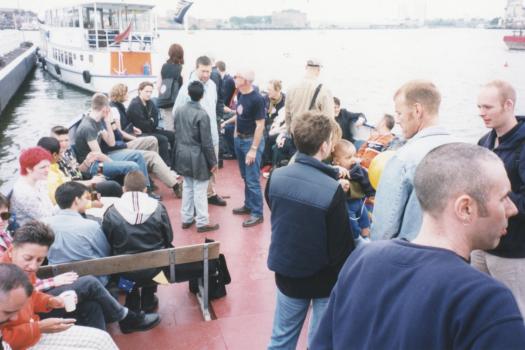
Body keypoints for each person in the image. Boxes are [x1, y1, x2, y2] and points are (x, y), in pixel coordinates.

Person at [311, 143, 525, 349]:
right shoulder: (486, 302)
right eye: (504, 197)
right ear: (465, 208)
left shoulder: (362, 260)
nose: (512, 208)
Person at [266, 111, 354, 349]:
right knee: (319, 340)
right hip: (323, 280)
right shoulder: (332, 190)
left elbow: (278, 210)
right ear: (325, 147)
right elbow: (341, 249)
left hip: (287, 274)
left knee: (281, 338)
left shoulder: (276, 177)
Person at [0, 221, 160, 349]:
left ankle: (123, 318)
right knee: (91, 285)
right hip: (28, 336)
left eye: (40, 260)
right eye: (28, 258)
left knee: (92, 307)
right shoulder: (5, 278)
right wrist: (39, 328)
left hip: (32, 328)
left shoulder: (22, 270)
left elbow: (32, 297)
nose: (34, 266)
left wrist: (50, 302)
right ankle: (126, 317)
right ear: (12, 250)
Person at [370, 80, 455, 241]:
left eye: (399, 113)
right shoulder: (464, 152)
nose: (397, 120)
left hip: (410, 258)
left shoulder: (404, 158)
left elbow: (384, 229)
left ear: (417, 110)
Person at [475, 80, 525, 316]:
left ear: (508, 105)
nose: (481, 113)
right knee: (478, 309)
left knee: (516, 313)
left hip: (514, 252)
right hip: (481, 246)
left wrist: (504, 202)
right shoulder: (483, 143)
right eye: (479, 107)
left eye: (487, 107)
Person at [102, 171, 174, 313]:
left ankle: (131, 296)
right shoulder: (158, 208)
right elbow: (169, 237)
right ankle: (148, 296)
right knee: (156, 260)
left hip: (124, 272)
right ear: (145, 189)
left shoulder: (112, 212)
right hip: (156, 270)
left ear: (124, 189)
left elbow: (107, 243)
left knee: (122, 267)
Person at [108, 84, 183, 197]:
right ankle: (168, 181)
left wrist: (132, 128)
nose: (128, 95)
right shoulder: (114, 109)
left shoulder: (120, 107)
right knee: (156, 145)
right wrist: (134, 137)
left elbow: (123, 126)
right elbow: (119, 133)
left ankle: (154, 170)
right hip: (123, 144)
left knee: (153, 140)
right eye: (126, 92)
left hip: (125, 140)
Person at [73, 93, 154, 195]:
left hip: (102, 159)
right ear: (105, 109)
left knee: (138, 156)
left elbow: (111, 143)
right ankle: (137, 195)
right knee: (132, 166)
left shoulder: (98, 121)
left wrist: (107, 122)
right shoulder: (88, 127)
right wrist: (112, 162)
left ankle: (146, 189)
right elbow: (97, 155)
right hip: (94, 166)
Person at [173, 55, 227, 207]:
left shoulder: (212, 85)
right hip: (195, 140)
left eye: (208, 71)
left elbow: (215, 106)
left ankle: (210, 194)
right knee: (195, 175)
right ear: (196, 68)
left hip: (212, 135)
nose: (206, 75)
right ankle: (197, 204)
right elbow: (177, 113)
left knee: (212, 167)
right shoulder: (186, 89)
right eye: (203, 71)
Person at [42, 182, 110, 285]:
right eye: (85, 198)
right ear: (77, 200)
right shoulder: (91, 226)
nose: (88, 201)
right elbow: (105, 253)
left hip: (58, 279)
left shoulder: (44, 224)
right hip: (91, 280)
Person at [222, 69, 265, 227]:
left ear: (246, 80)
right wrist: (232, 131)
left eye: (237, 76)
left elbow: (260, 125)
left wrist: (253, 149)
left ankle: (257, 213)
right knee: (245, 176)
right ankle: (249, 204)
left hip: (250, 141)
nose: (234, 78)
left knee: (253, 179)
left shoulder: (257, 99)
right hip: (239, 139)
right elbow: (240, 115)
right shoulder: (240, 94)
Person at [174, 81, 219, 233]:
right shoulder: (202, 114)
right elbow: (206, 142)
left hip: (182, 153)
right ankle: (202, 222)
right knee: (200, 189)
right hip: (197, 156)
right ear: (202, 95)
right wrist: (213, 162)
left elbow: (177, 131)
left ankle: (186, 219)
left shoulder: (179, 110)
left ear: (188, 93)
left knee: (187, 186)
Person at [50, 126, 123, 198]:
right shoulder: (53, 161)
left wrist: (87, 161)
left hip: (86, 180)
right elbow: (66, 185)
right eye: (60, 141)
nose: (64, 144)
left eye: (66, 140)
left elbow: (77, 171)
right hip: (78, 193)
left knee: (117, 175)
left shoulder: (68, 151)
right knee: (113, 186)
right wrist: (92, 181)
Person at [332, 140, 375, 239]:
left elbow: (366, 182)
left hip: (359, 202)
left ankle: (365, 238)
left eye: (354, 156)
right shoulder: (334, 171)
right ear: (337, 161)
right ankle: (356, 240)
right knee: (353, 228)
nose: (353, 160)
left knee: (366, 223)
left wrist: (371, 194)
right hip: (347, 205)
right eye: (348, 157)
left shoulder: (357, 169)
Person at [126, 81, 175, 167]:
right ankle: (165, 165)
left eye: (150, 92)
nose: (149, 94)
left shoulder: (150, 103)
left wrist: (151, 122)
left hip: (151, 129)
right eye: (146, 91)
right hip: (140, 133)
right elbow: (142, 125)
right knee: (163, 139)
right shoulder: (135, 105)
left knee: (172, 135)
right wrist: (151, 121)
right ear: (140, 91)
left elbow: (155, 119)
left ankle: (174, 161)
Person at [284, 58, 334, 134]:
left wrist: (290, 133)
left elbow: (287, 115)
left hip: (296, 135)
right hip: (313, 138)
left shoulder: (291, 88)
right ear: (318, 70)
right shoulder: (324, 90)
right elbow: (329, 120)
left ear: (306, 67)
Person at [10, 147, 55, 226]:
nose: (48, 170)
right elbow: (47, 219)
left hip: (45, 222)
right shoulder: (24, 193)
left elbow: (50, 209)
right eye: (43, 167)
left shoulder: (38, 180)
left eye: (48, 166)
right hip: (34, 232)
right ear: (29, 169)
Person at [156, 43, 184, 132]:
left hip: (166, 102)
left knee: (168, 128)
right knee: (180, 128)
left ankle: (170, 144)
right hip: (179, 102)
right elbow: (185, 87)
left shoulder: (163, 67)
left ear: (169, 53)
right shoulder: (182, 68)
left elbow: (158, 86)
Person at [262, 80, 286, 172]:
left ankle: (267, 163)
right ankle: (263, 161)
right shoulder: (265, 99)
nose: (268, 92)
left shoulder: (285, 100)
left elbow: (286, 117)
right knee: (263, 131)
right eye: (268, 89)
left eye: (270, 90)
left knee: (268, 135)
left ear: (278, 90)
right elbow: (262, 114)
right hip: (266, 122)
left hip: (280, 126)